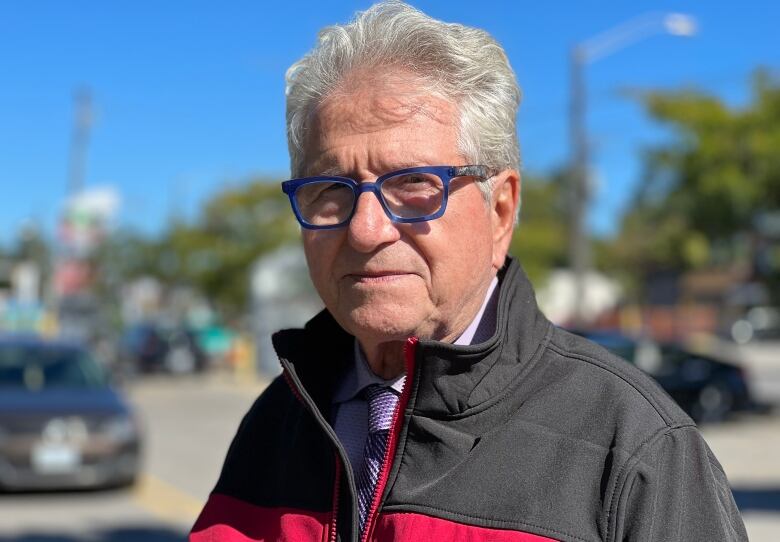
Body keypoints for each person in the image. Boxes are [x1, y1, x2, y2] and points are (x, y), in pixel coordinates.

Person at [191, 2, 748, 541]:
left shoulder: (632, 446)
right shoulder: (278, 420)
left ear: (500, 210)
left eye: (413, 184)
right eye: (331, 189)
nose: (365, 229)